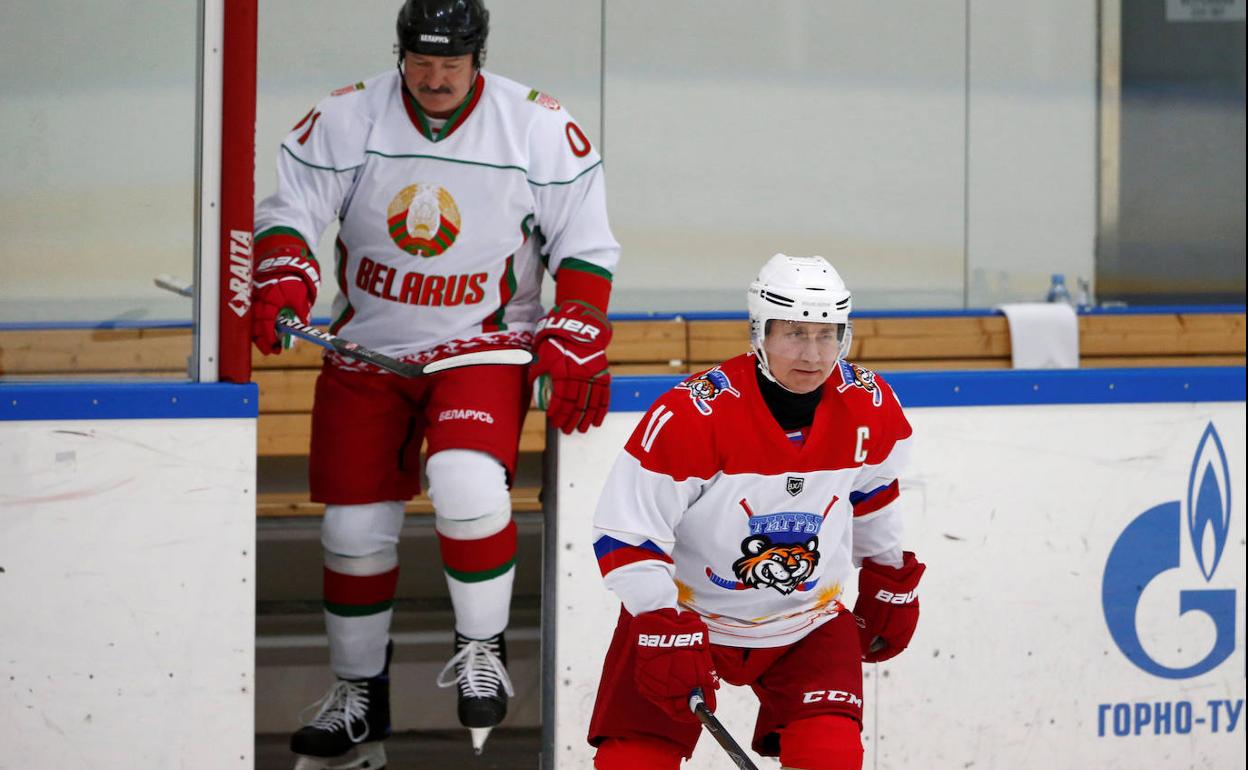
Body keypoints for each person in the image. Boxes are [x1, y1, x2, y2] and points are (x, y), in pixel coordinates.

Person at [250, 0, 619, 766]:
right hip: (367, 349)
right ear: (400, 52)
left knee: (464, 480)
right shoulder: (347, 116)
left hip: (479, 346)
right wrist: (284, 271)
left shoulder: (537, 126)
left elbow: (584, 242)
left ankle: (481, 649)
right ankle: (360, 698)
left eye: (451, 63)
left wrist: (577, 324)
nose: (435, 77)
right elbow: (293, 210)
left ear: (478, 56)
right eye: (421, 61)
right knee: (351, 532)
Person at [586, 254, 925, 770]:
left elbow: (872, 489)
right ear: (758, 332)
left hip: (808, 620)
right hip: (689, 618)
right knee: (632, 761)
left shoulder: (868, 403)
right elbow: (626, 534)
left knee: (829, 756)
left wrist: (886, 567)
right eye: (794, 333)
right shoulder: (692, 416)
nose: (813, 354)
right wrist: (658, 618)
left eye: (827, 335)